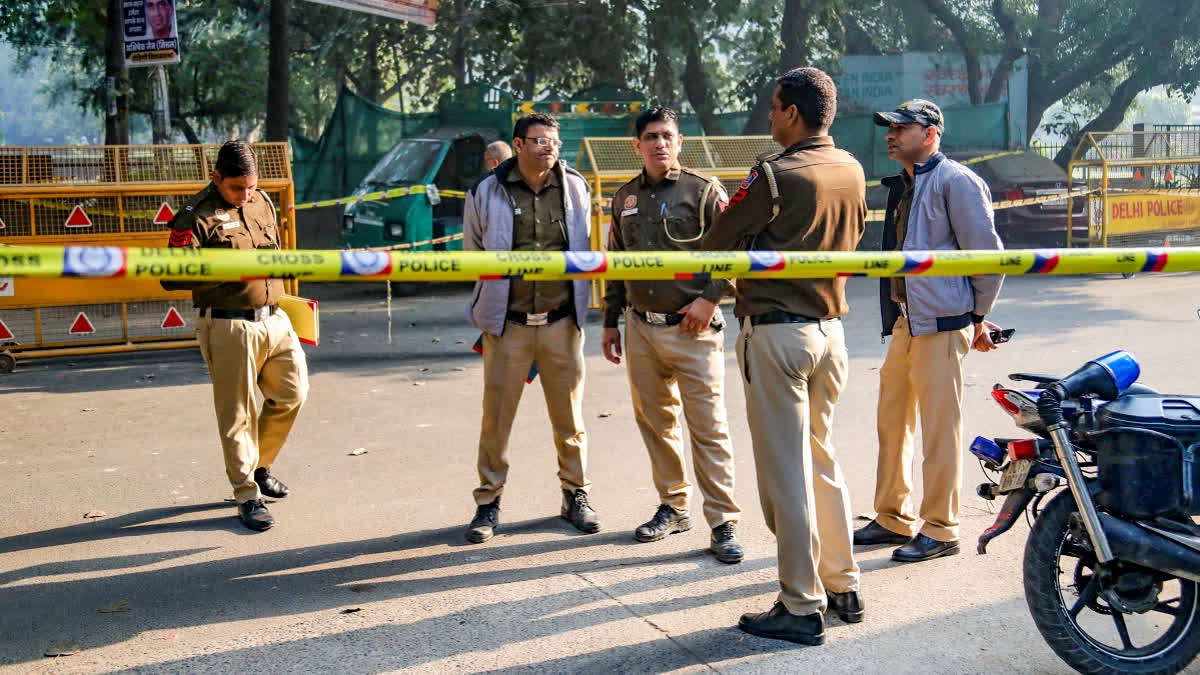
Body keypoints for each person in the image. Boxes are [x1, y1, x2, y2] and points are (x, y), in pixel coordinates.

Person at [704, 67, 866, 645]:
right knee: (822, 461)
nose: (769, 117)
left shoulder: (773, 175)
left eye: (772, 108)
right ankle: (842, 583)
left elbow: (718, 237)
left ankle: (800, 605)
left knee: (787, 478)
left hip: (778, 335)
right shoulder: (851, 167)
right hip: (831, 333)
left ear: (791, 113)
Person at [853, 99, 1004, 562]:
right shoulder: (909, 182)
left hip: (941, 324)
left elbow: (988, 256)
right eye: (889, 127)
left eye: (902, 127)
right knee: (892, 420)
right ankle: (893, 516)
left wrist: (976, 318)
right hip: (907, 320)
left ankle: (941, 527)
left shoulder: (955, 181)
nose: (891, 134)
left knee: (940, 429)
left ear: (931, 133)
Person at [601, 107, 743, 564]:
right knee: (656, 423)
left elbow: (734, 251)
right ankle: (674, 505)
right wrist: (611, 319)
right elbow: (615, 262)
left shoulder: (703, 192)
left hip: (694, 329)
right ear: (637, 146)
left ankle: (723, 522)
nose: (659, 143)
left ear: (680, 142)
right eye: (650, 137)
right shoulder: (623, 198)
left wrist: (710, 299)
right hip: (641, 327)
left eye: (667, 136)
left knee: (709, 428)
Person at [462, 113, 599, 543]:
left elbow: (586, 248)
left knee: (570, 419)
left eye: (553, 141)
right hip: (508, 326)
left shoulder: (576, 187)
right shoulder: (487, 191)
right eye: (538, 140)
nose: (548, 148)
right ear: (518, 145)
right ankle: (488, 502)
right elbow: (474, 252)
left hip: (562, 322)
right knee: (496, 420)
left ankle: (575, 495)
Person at [163, 140, 309, 532]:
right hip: (227, 325)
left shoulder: (263, 202)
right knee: (237, 414)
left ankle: (260, 466)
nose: (244, 195)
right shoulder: (195, 216)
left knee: (293, 393)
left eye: (249, 185)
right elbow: (171, 275)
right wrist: (228, 268)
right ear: (216, 178)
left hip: (274, 318)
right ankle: (247, 495)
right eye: (235, 188)